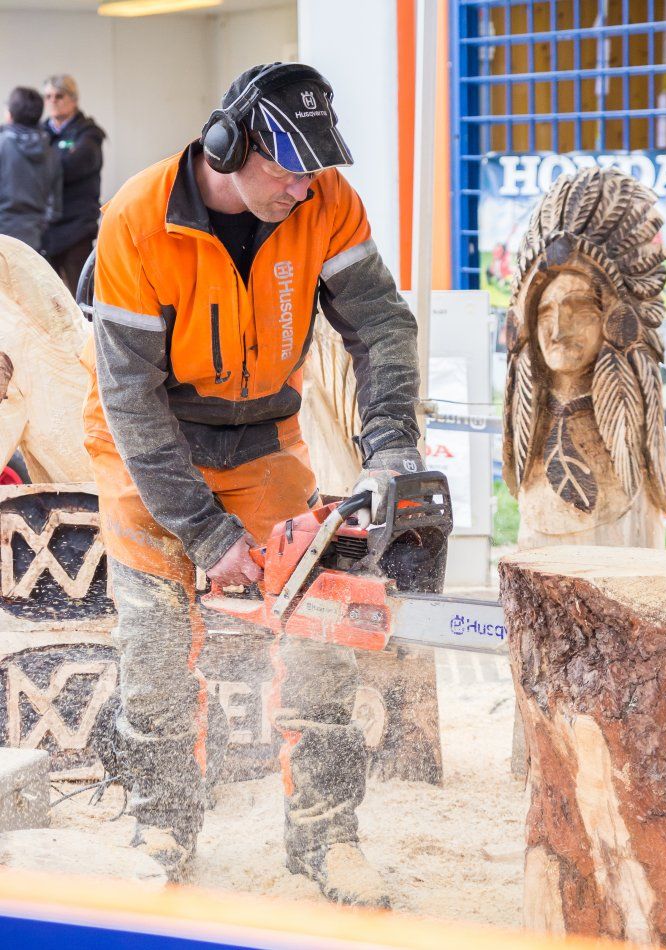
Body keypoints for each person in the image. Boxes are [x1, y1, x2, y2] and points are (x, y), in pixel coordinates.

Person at [81, 62, 423, 906]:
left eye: (314, 167)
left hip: (263, 432)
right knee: (158, 646)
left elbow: (380, 324)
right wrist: (205, 537)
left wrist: (390, 448)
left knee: (322, 624)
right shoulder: (138, 220)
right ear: (227, 142)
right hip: (149, 439)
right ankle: (162, 825)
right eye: (286, 167)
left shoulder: (325, 203)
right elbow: (128, 397)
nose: (302, 186)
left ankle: (325, 837)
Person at [42, 74, 105, 293]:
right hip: (45, 231)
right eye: (48, 96)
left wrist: (43, 164)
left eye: (59, 95)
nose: (52, 101)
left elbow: (75, 165)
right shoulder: (40, 133)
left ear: (73, 99)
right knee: (47, 300)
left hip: (76, 230)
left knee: (80, 297)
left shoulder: (89, 134)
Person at [0, 87, 61, 252]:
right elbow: (55, 208)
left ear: (10, 114)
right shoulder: (51, 151)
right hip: (33, 240)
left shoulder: (2, 144)